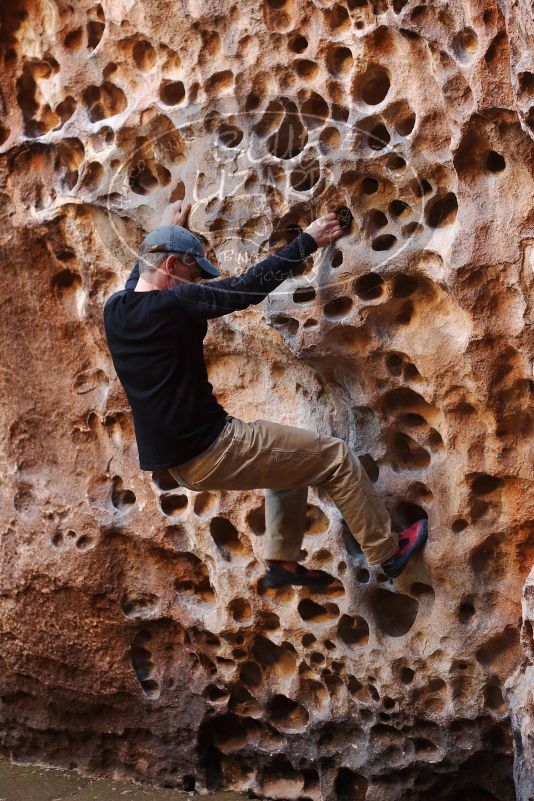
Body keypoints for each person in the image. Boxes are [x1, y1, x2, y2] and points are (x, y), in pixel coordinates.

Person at [103, 199, 428, 590]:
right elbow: (246, 289)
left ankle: (282, 564)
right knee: (335, 458)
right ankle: (387, 553)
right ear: (171, 267)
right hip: (213, 448)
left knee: (292, 462)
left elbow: (140, 273)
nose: (198, 284)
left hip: (181, 463)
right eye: (193, 274)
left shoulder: (116, 308)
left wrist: (168, 229)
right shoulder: (174, 304)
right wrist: (308, 240)